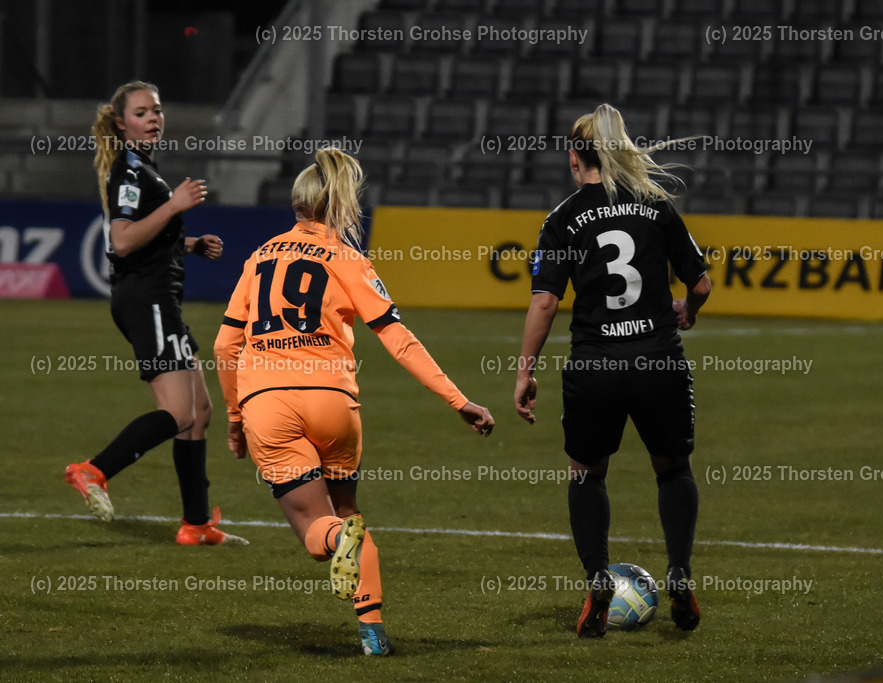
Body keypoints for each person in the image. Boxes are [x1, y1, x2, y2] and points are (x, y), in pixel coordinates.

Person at [213, 147, 495, 656]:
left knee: (318, 534)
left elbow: (224, 345)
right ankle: (372, 630)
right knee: (348, 513)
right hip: (335, 405)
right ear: (340, 204)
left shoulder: (258, 258)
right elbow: (397, 337)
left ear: (298, 203)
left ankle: (335, 544)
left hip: (268, 403)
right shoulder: (348, 259)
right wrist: (459, 400)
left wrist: (235, 418)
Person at [513, 103, 711, 638]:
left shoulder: (562, 218)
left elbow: (546, 303)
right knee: (672, 468)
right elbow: (701, 282)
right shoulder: (656, 205)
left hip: (595, 365)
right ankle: (679, 572)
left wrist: (524, 371)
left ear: (577, 158)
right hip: (658, 361)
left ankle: (598, 578)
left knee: (585, 473)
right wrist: (687, 312)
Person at [64, 81, 246, 547]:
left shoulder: (143, 169)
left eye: (157, 111)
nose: (154, 118)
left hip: (160, 299)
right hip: (148, 302)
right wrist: (175, 205)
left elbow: (142, 241)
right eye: (142, 112)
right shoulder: (130, 172)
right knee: (179, 412)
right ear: (123, 123)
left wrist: (187, 244)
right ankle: (94, 469)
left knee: (200, 412)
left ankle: (196, 524)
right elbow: (122, 240)